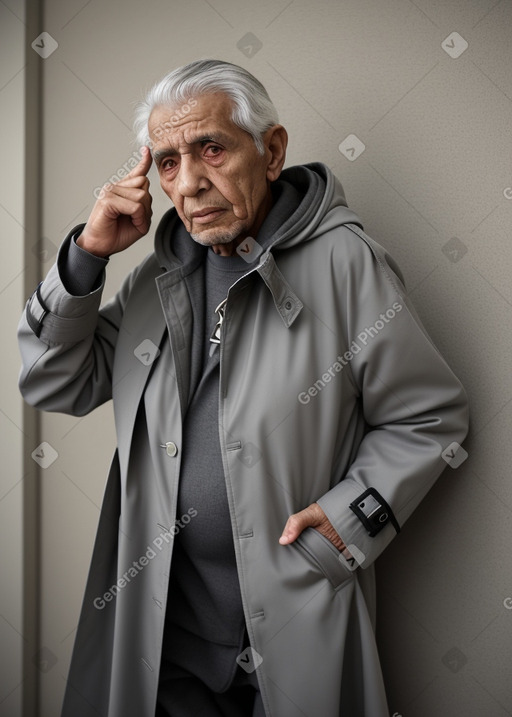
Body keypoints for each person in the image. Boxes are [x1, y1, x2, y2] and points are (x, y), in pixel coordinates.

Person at [18, 59, 469, 717]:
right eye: (167, 162)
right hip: (165, 642)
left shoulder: (346, 263)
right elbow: (55, 379)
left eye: (211, 148)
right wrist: (88, 254)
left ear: (272, 150)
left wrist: (346, 525)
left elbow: (430, 417)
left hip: (291, 623)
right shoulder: (153, 281)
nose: (191, 182)